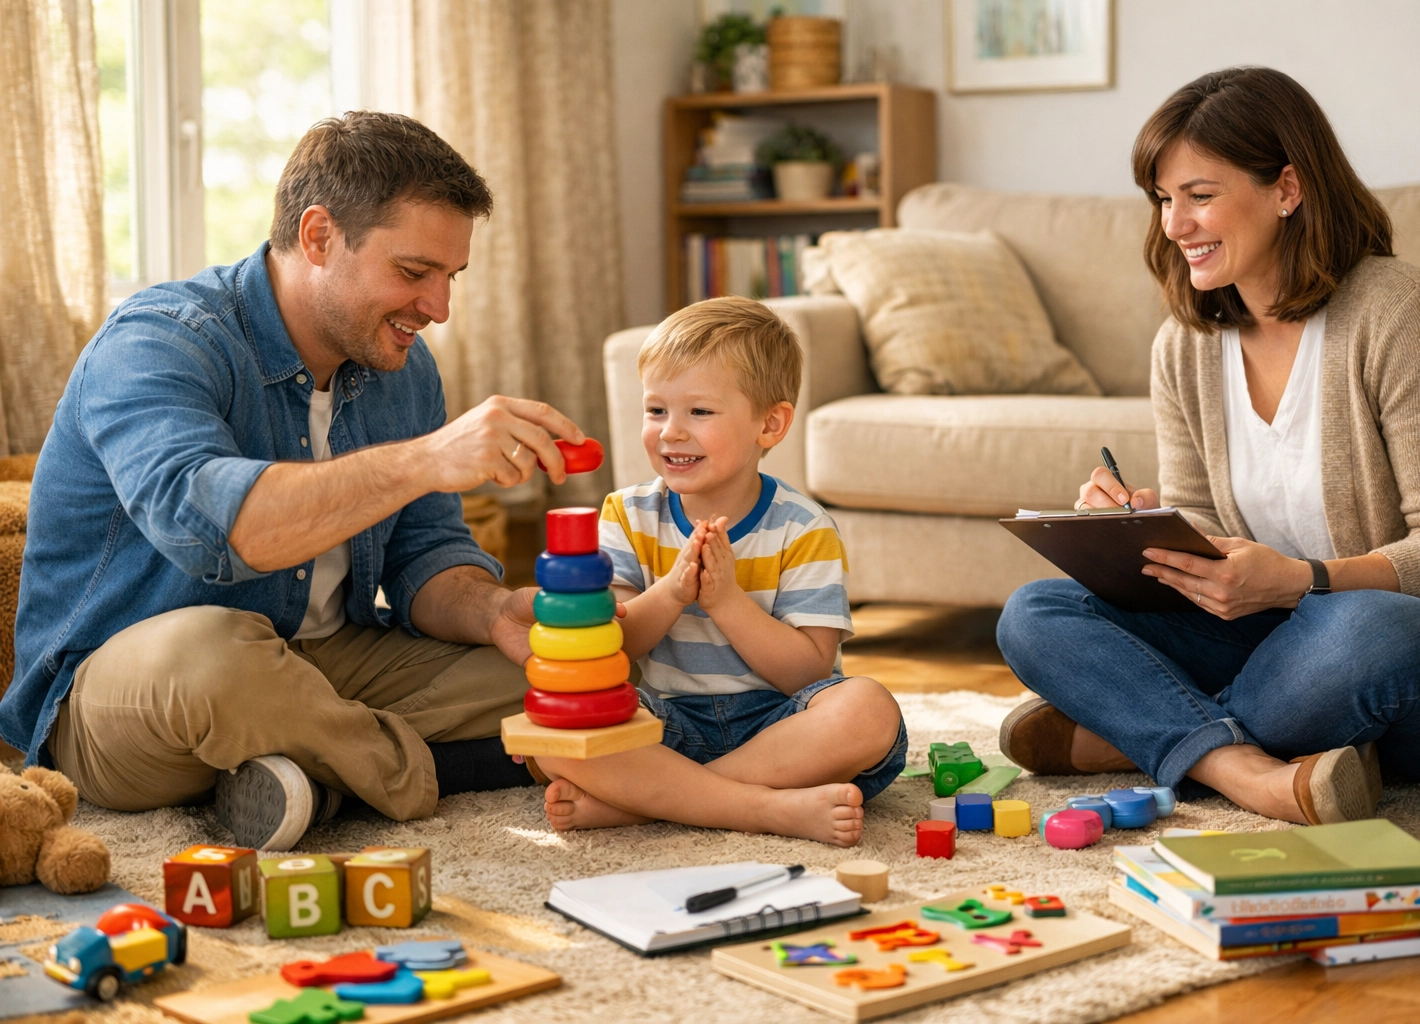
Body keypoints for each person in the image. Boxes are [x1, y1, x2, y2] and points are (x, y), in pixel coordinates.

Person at [0, 112, 592, 851]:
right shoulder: (160, 339)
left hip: (321, 668)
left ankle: (307, 774)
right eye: (414, 273)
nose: (439, 309)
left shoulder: (400, 370)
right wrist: (428, 458)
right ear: (318, 237)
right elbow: (219, 529)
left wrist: (496, 611)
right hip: (131, 695)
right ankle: (422, 773)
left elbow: (427, 557)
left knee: (573, 675)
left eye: (450, 277)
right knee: (213, 657)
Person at [995, 67, 1420, 825]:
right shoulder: (1184, 346)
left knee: (1355, 630)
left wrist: (1302, 580)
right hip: (1286, 648)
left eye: (1200, 195)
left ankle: (1141, 734)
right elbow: (1215, 542)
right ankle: (1246, 769)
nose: (1174, 225)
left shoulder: (1403, 313)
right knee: (1035, 610)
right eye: (1162, 199)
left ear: (1287, 188)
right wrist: (1141, 536)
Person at [535, 297, 906, 846]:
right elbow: (613, 648)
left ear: (770, 424)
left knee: (869, 709)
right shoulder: (624, 513)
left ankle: (651, 802)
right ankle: (758, 807)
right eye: (656, 410)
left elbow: (808, 673)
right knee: (552, 732)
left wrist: (726, 602)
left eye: (699, 412)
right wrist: (670, 592)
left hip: (780, 726)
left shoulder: (803, 527)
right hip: (666, 724)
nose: (670, 433)